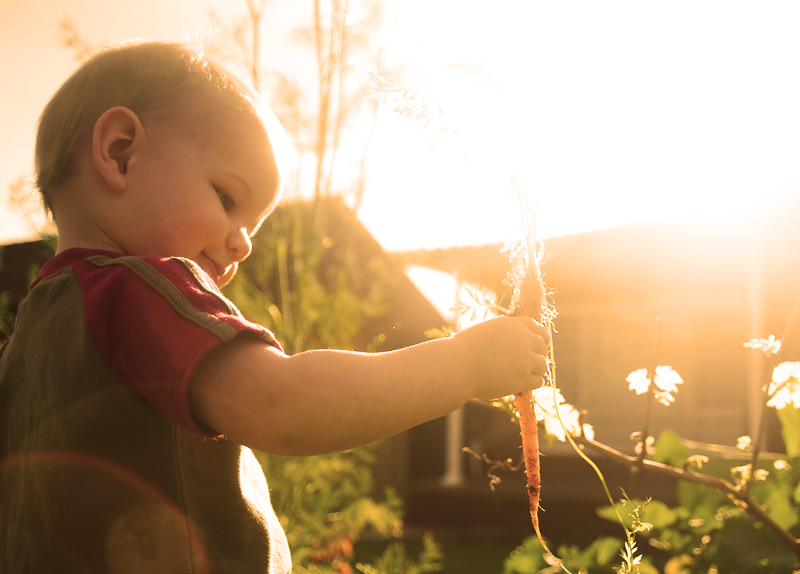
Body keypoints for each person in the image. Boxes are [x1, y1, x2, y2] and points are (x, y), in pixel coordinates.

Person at [0, 41, 550, 574]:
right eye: (226, 198)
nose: (243, 244)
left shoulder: (21, 351)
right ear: (120, 152)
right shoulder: (140, 290)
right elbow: (282, 404)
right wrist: (467, 364)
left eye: (252, 227)